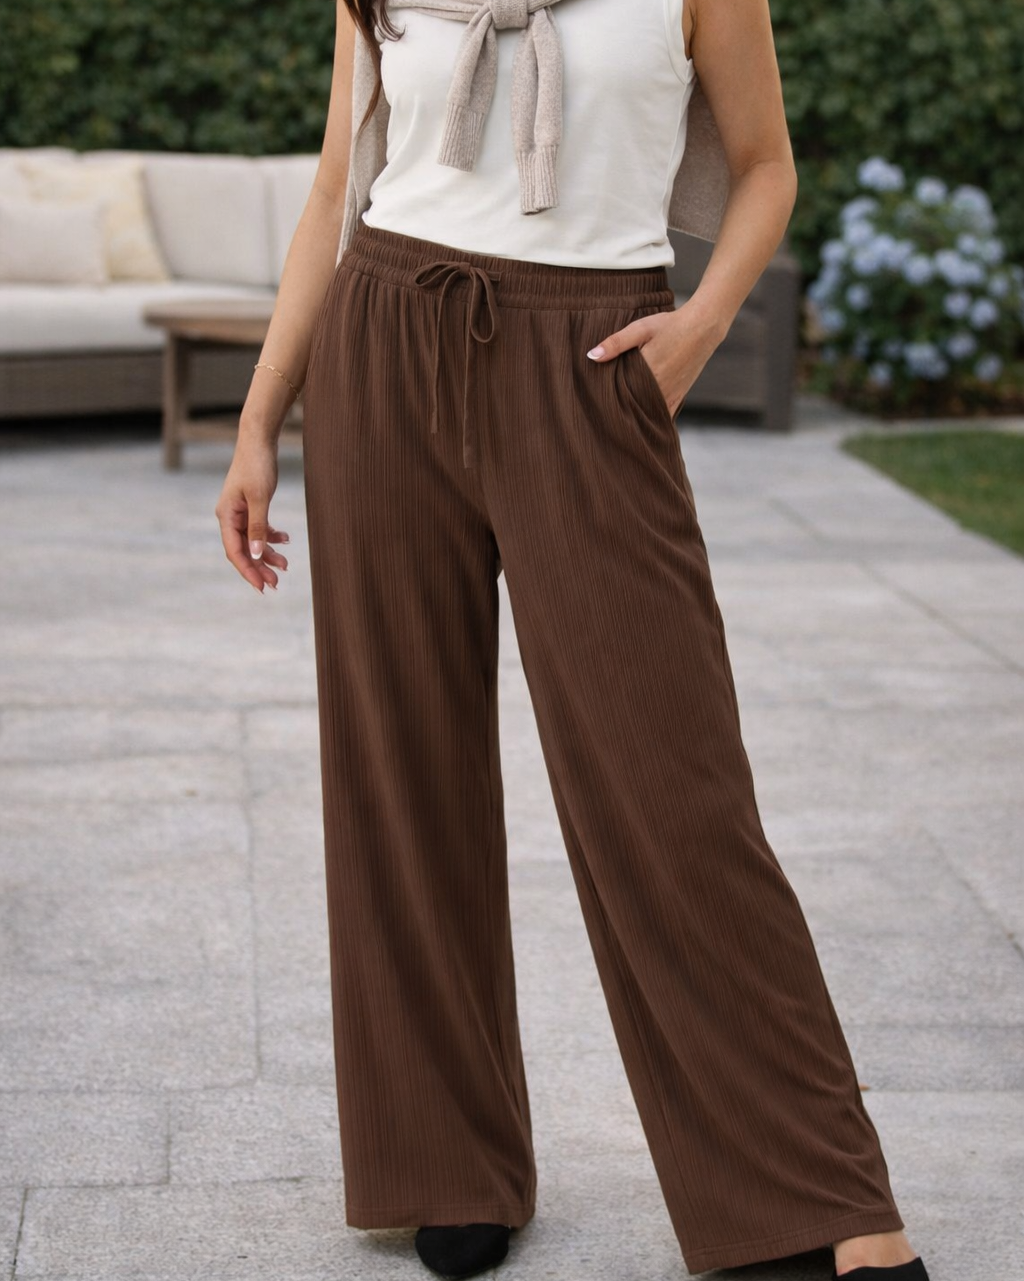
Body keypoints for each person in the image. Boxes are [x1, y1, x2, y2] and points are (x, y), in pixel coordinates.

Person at [215, 3, 932, 1280]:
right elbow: (341, 183)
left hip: (591, 352)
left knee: (672, 786)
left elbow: (767, 167)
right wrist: (264, 415)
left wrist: (699, 327)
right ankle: (445, 1165)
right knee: (402, 772)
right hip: (384, 342)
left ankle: (814, 1200)